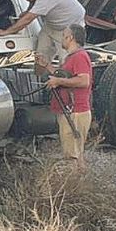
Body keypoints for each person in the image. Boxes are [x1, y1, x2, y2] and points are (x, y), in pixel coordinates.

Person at [0, 0, 86, 69]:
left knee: (66, 61)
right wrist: (28, 11)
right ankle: (40, 75)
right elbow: (33, 2)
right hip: (52, 24)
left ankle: (64, 77)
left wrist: (6, 32)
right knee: (40, 56)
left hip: (69, 27)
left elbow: (28, 19)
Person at [45, 24, 93, 169]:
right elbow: (66, 76)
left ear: (70, 37)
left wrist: (58, 81)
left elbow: (84, 81)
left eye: (63, 36)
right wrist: (47, 66)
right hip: (71, 111)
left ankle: (74, 181)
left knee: (72, 156)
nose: (61, 39)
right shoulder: (72, 58)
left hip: (74, 112)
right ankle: (80, 179)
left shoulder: (79, 57)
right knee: (77, 155)